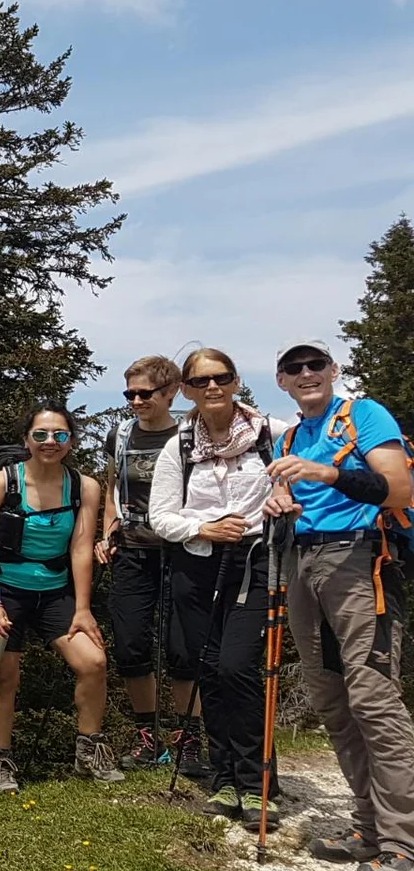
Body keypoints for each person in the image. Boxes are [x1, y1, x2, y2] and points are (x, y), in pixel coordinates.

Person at [265, 339, 414, 871]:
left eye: (315, 365)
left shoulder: (364, 414)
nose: (306, 374)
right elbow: (291, 496)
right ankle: (368, 829)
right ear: (281, 380)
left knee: (374, 697)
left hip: (358, 560)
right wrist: (279, 500)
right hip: (302, 562)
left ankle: (403, 841)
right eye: (293, 368)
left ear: (333, 370)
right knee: (331, 696)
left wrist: (327, 474)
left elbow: (399, 486)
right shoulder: (289, 436)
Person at [147, 350, 280, 825]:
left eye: (220, 378)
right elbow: (159, 516)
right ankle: (225, 779)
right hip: (197, 564)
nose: (211, 388)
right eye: (200, 381)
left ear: (236, 380)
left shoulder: (273, 433)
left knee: (237, 667)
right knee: (207, 668)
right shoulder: (179, 444)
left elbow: (301, 486)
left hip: (255, 561)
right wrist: (205, 528)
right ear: (185, 389)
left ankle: (258, 781)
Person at [0, 404, 120, 792]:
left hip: (57, 591)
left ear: (71, 441)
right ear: (27, 440)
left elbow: (81, 548)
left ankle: (88, 748)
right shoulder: (2, 483)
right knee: (2, 676)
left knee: (93, 663)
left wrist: (84, 609)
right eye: (40, 435)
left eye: (59, 435)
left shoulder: (84, 486)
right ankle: (0, 763)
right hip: (7, 592)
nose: (50, 442)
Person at [98, 355, 194, 773]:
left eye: (145, 393)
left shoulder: (190, 434)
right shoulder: (120, 435)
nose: (136, 401)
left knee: (183, 648)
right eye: (130, 393)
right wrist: (108, 529)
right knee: (131, 642)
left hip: (183, 549)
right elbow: (112, 486)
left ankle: (188, 738)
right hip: (133, 550)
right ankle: (148, 738)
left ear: (170, 392)